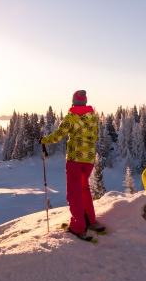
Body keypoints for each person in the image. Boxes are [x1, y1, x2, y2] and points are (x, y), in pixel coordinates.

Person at [41, 90, 105, 241]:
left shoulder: (71, 117)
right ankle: (90, 220)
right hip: (88, 159)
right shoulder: (93, 117)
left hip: (75, 159)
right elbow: (95, 136)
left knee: (74, 193)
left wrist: (44, 140)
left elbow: (58, 135)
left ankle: (78, 226)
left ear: (74, 101)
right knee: (84, 189)